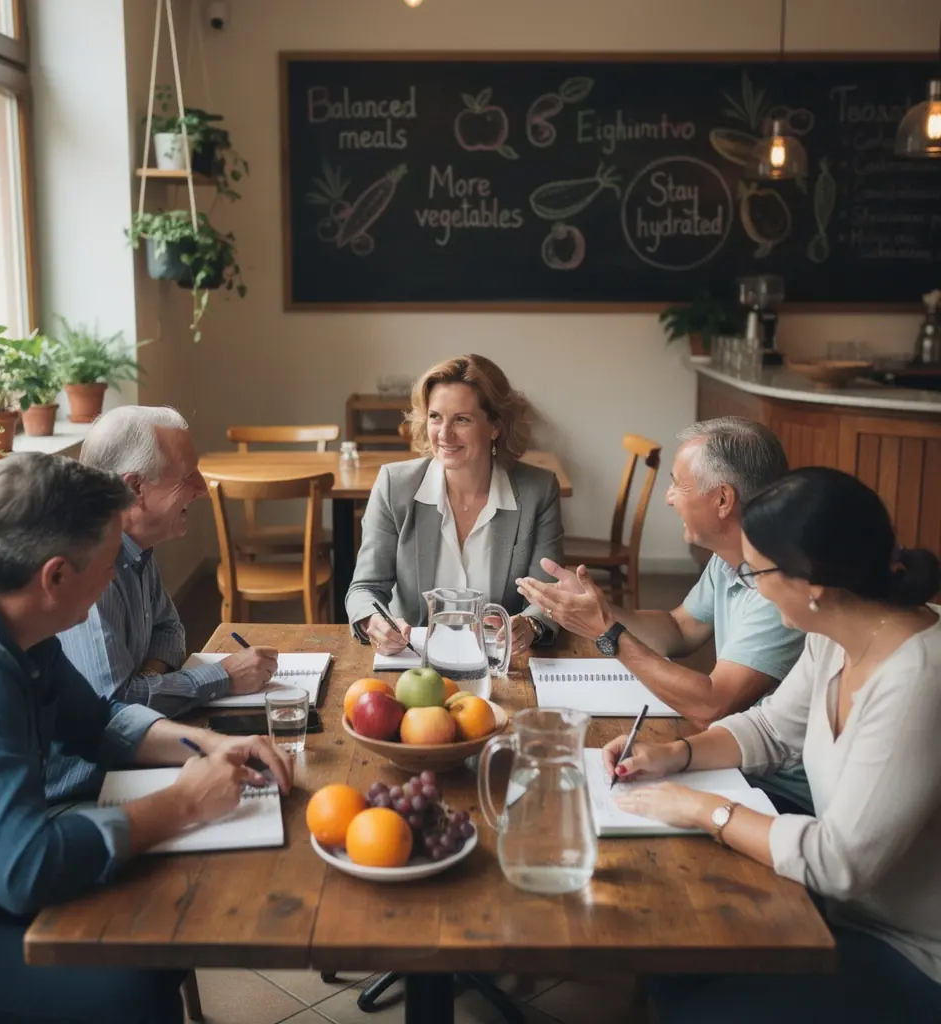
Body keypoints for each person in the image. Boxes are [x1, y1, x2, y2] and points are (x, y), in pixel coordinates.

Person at [0, 453, 293, 1024]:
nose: (120, 570)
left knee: (166, 917)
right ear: (57, 576)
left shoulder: (8, 610)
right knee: (130, 987)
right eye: (112, 557)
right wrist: (184, 802)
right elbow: (25, 868)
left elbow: (97, 723)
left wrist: (206, 745)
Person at [599, 467, 941, 1023]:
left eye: (757, 571)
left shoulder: (919, 678)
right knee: (673, 961)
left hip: (916, 953)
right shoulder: (837, 635)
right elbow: (773, 729)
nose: (752, 586)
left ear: (814, 583)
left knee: (697, 1003)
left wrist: (702, 809)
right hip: (840, 912)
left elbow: (839, 861)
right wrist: (677, 754)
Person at [517, 416, 810, 812]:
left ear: (723, 500)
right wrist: (602, 609)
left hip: (773, 792)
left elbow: (712, 706)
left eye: (678, 485)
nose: (669, 498)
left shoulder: (781, 589)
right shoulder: (729, 559)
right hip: (730, 760)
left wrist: (608, 632)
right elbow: (679, 629)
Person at [49, 406, 278, 800]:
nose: (204, 488)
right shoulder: (87, 567)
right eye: (188, 475)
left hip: (134, 760)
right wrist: (222, 675)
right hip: (89, 789)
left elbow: (171, 630)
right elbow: (117, 707)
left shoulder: (137, 545)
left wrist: (149, 681)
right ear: (135, 488)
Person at [346, 354, 564, 655]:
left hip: (503, 662)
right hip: (413, 659)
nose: (444, 434)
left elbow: (548, 596)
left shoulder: (537, 491)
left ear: (495, 427)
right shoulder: (393, 485)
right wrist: (374, 622)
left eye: (462, 419)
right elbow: (364, 588)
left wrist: (531, 625)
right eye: (435, 417)